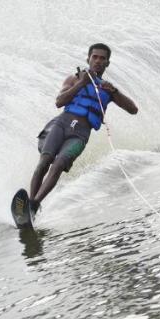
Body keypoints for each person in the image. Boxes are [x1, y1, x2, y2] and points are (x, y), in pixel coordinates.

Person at [28, 43, 138, 214]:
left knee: (58, 165)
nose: (98, 61)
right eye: (95, 57)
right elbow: (59, 102)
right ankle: (29, 204)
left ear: (107, 63)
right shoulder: (74, 79)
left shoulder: (107, 89)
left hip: (80, 134)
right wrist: (81, 83)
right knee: (44, 161)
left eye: (103, 58)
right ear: (88, 59)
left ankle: (34, 205)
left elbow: (133, 110)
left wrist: (115, 91)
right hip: (61, 124)